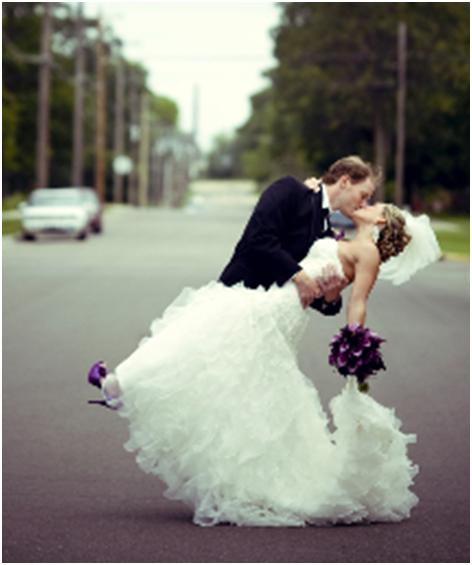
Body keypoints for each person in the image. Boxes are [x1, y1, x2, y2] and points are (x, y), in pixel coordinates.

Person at [87, 175, 441, 527]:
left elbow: (357, 303)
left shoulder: (368, 252)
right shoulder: (333, 232)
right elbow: (298, 253)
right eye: (366, 195)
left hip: (278, 311)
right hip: (276, 300)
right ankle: (126, 387)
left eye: (373, 203)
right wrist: (323, 278)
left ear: (380, 221)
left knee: (204, 332)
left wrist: (355, 341)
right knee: (220, 357)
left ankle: (125, 386)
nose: (366, 203)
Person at [219, 155, 376, 312]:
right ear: (345, 182)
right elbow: (258, 239)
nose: (364, 205)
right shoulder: (289, 189)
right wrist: (299, 276)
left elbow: (313, 296)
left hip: (270, 317)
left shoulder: (327, 233)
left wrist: (331, 297)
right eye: (363, 196)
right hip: (237, 299)